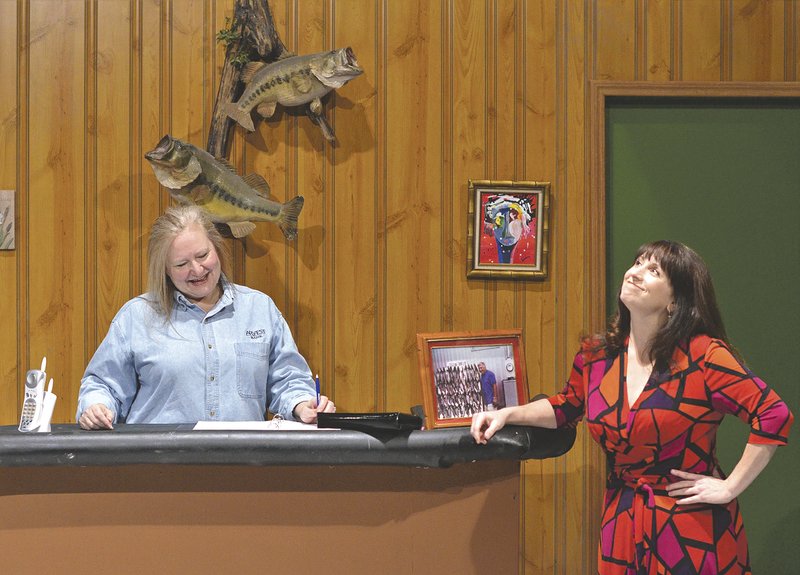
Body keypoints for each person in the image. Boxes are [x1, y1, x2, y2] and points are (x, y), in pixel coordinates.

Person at [471, 240, 793, 574]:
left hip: (690, 527)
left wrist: (730, 487)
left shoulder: (704, 355)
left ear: (674, 301)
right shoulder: (597, 355)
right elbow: (566, 407)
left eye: (654, 270)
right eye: (637, 262)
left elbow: (773, 414)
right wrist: (506, 413)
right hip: (621, 520)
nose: (636, 273)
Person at [77, 205, 334, 430]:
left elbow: (287, 379)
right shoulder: (136, 317)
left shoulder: (259, 309)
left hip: (243, 469)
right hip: (158, 469)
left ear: (217, 249)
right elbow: (102, 385)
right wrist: (96, 407)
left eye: (203, 256)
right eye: (181, 264)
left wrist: (303, 404)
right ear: (165, 270)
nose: (197, 270)